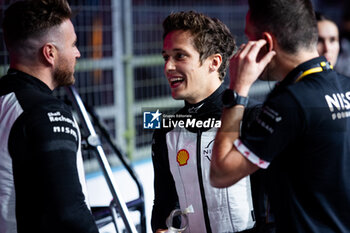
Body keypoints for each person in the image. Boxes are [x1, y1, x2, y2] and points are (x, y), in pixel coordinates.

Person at [210, 0, 350, 232]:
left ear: (267, 42)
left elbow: (221, 172)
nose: (244, 46)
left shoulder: (290, 101)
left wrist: (237, 90)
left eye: (248, 38)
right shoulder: (345, 85)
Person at [151, 11, 255, 233]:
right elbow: (163, 206)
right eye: (165, 57)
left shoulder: (252, 117)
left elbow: (274, 205)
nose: (168, 67)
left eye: (180, 56)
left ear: (213, 62)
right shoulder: (165, 128)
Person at [0, 1, 99, 233]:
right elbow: (70, 214)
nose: (78, 53)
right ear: (50, 53)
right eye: (73, 44)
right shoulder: (46, 112)